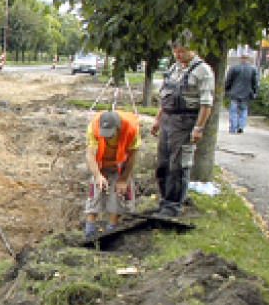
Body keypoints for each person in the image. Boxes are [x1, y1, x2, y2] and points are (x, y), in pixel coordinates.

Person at [150, 33, 214, 217]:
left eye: (182, 51)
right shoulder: (174, 69)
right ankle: (164, 201)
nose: (178, 55)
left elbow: (206, 104)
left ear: (193, 49)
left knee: (178, 165)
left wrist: (199, 128)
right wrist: (157, 119)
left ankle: (173, 205)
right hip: (168, 120)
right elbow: (166, 98)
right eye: (175, 51)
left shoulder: (203, 71)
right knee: (163, 163)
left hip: (185, 122)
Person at [84, 109, 140, 237]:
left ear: (118, 128)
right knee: (94, 197)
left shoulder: (131, 129)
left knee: (117, 197)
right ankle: (89, 232)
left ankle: (111, 232)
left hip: (121, 165)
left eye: (110, 134)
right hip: (100, 164)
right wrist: (98, 176)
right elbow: (90, 155)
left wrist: (123, 179)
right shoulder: (93, 127)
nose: (107, 136)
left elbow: (133, 156)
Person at [224, 53, 260, 134]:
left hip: (234, 93)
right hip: (246, 94)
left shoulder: (234, 68)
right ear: (249, 59)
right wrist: (254, 92)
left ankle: (233, 127)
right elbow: (255, 83)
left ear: (241, 58)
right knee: (244, 110)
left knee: (233, 111)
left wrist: (227, 91)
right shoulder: (253, 69)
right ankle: (241, 126)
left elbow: (228, 81)